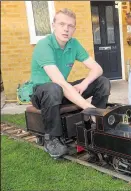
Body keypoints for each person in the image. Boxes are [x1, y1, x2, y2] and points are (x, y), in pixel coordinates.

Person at [28, 8, 111, 158]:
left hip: (61, 90)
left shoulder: (74, 44)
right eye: (62, 24)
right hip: (43, 93)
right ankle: (52, 139)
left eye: (70, 26)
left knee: (102, 82)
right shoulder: (44, 45)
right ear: (53, 25)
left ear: (74, 29)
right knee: (54, 88)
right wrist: (88, 106)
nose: (66, 29)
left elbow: (98, 69)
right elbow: (59, 81)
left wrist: (84, 84)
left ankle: (94, 126)